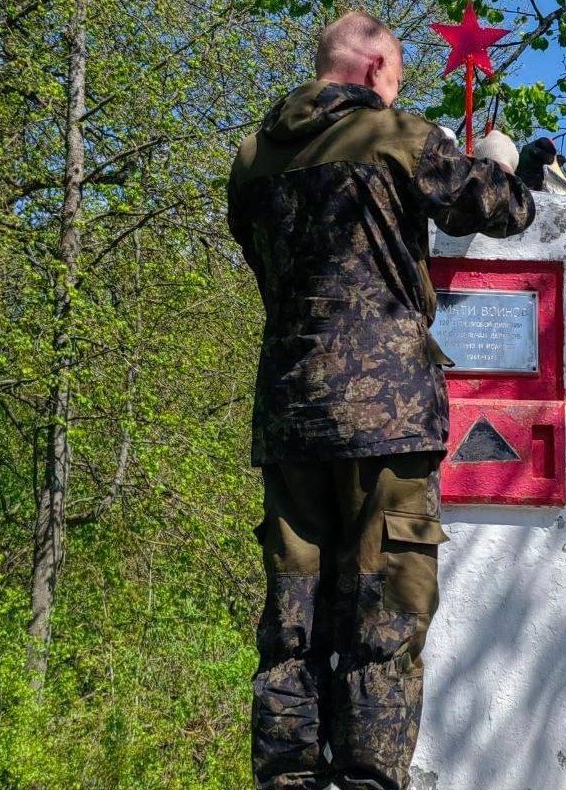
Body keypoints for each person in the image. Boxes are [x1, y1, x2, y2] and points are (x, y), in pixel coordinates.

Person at [226, 12, 535, 790]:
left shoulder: (253, 156)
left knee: (292, 618)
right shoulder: (394, 135)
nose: (398, 89)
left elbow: (257, 257)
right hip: (387, 416)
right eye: (396, 76)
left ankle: (289, 776)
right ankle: (366, 777)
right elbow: (496, 209)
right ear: (372, 70)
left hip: (291, 412)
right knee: (385, 612)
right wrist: (501, 163)